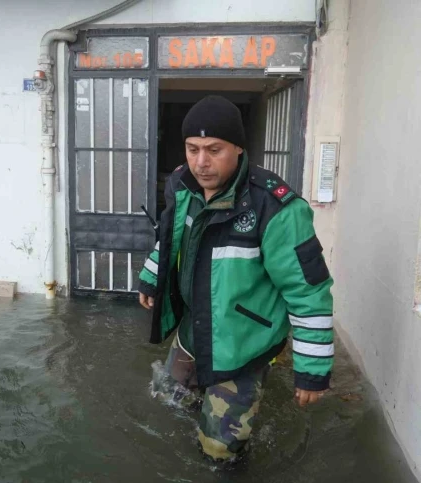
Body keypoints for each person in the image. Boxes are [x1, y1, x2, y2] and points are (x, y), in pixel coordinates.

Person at [137, 95, 334, 463]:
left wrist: (312, 369)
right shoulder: (182, 186)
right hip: (192, 333)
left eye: (214, 150)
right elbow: (170, 238)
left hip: (240, 343)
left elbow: (308, 290)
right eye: (193, 149)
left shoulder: (275, 207)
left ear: (239, 148)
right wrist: (151, 278)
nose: (201, 162)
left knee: (219, 453)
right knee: (167, 405)